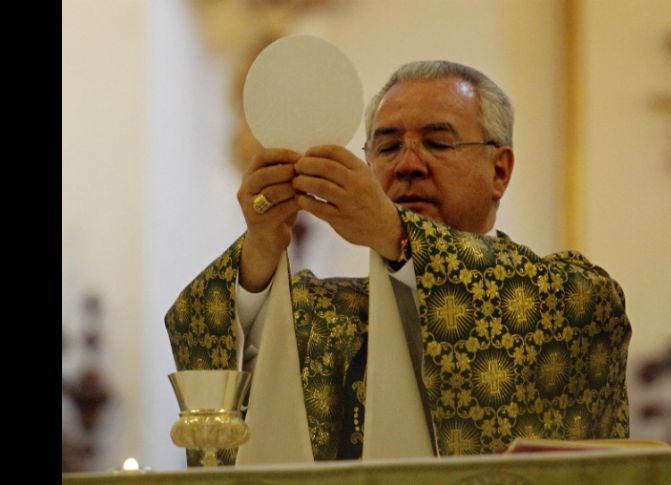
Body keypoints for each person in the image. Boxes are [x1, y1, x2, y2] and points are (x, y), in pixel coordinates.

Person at [165, 60, 631, 465]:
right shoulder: (331, 317)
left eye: (438, 143)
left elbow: (588, 306)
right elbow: (208, 330)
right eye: (387, 147)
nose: (408, 164)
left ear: (500, 170)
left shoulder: (570, 296)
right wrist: (262, 246)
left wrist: (396, 233)